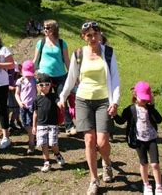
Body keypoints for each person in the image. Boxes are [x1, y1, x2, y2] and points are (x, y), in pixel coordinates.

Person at [58, 21, 120, 195]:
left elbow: (115, 78)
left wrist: (115, 101)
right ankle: (94, 179)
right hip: (83, 100)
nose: (93, 38)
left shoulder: (108, 52)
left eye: (95, 34)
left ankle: (107, 162)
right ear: (83, 37)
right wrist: (62, 97)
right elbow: (71, 79)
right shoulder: (78, 54)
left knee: (102, 142)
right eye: (88, 35)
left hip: (103, 101)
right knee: (89, 140)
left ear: (100, 34)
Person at [114, 81, 162, 195]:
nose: (145, 101)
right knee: (144, 163)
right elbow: (121, 121)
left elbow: (159, 120)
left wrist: (152, 106)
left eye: (147, 98)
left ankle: (159, 186)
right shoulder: (130, 109)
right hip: (139, 140)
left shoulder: (149, 108)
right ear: (135, 95)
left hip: (152, 139)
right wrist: (114, 115)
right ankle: (146, 185)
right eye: (143, 98)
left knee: (155, 164)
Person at [32, 19, 75, 135]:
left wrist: (73, 75)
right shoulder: (40, 43)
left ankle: (69, 125)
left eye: (48, 27)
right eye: (44, 27)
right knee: (46, 100)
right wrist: (29, 71)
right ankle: (48, 124)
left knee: (62, 99)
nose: (45, 30)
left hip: (60, 75)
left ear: (54, 29)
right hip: (44, 76)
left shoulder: (62, 43)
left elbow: (67, 60)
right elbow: (35, 60)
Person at [32, 73, 65, 172]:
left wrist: (61, 104)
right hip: (41, 125)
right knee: (44, 144)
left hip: (53, 124)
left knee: (53, 143)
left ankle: (57, 154)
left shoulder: (54, 96)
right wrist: (34, 126)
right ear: (37, 86)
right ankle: (46, 161)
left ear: (50, 85)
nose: (44, 87)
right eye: (41, 85)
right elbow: (35, 113)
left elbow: (58, 102)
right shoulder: (37, 99)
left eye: (47, 84)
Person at [15, 60, 38, 155]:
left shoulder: (35, 80)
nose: (28, 76)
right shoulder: (20, 81)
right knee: (25, 125)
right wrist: (20, 103)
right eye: (26, 74)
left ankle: (31, 144)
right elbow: (17, 94)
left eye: (30, 74)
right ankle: (33, 136)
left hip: (32, 107)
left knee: (30, 126)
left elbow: (38, 92)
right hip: (23, 107)